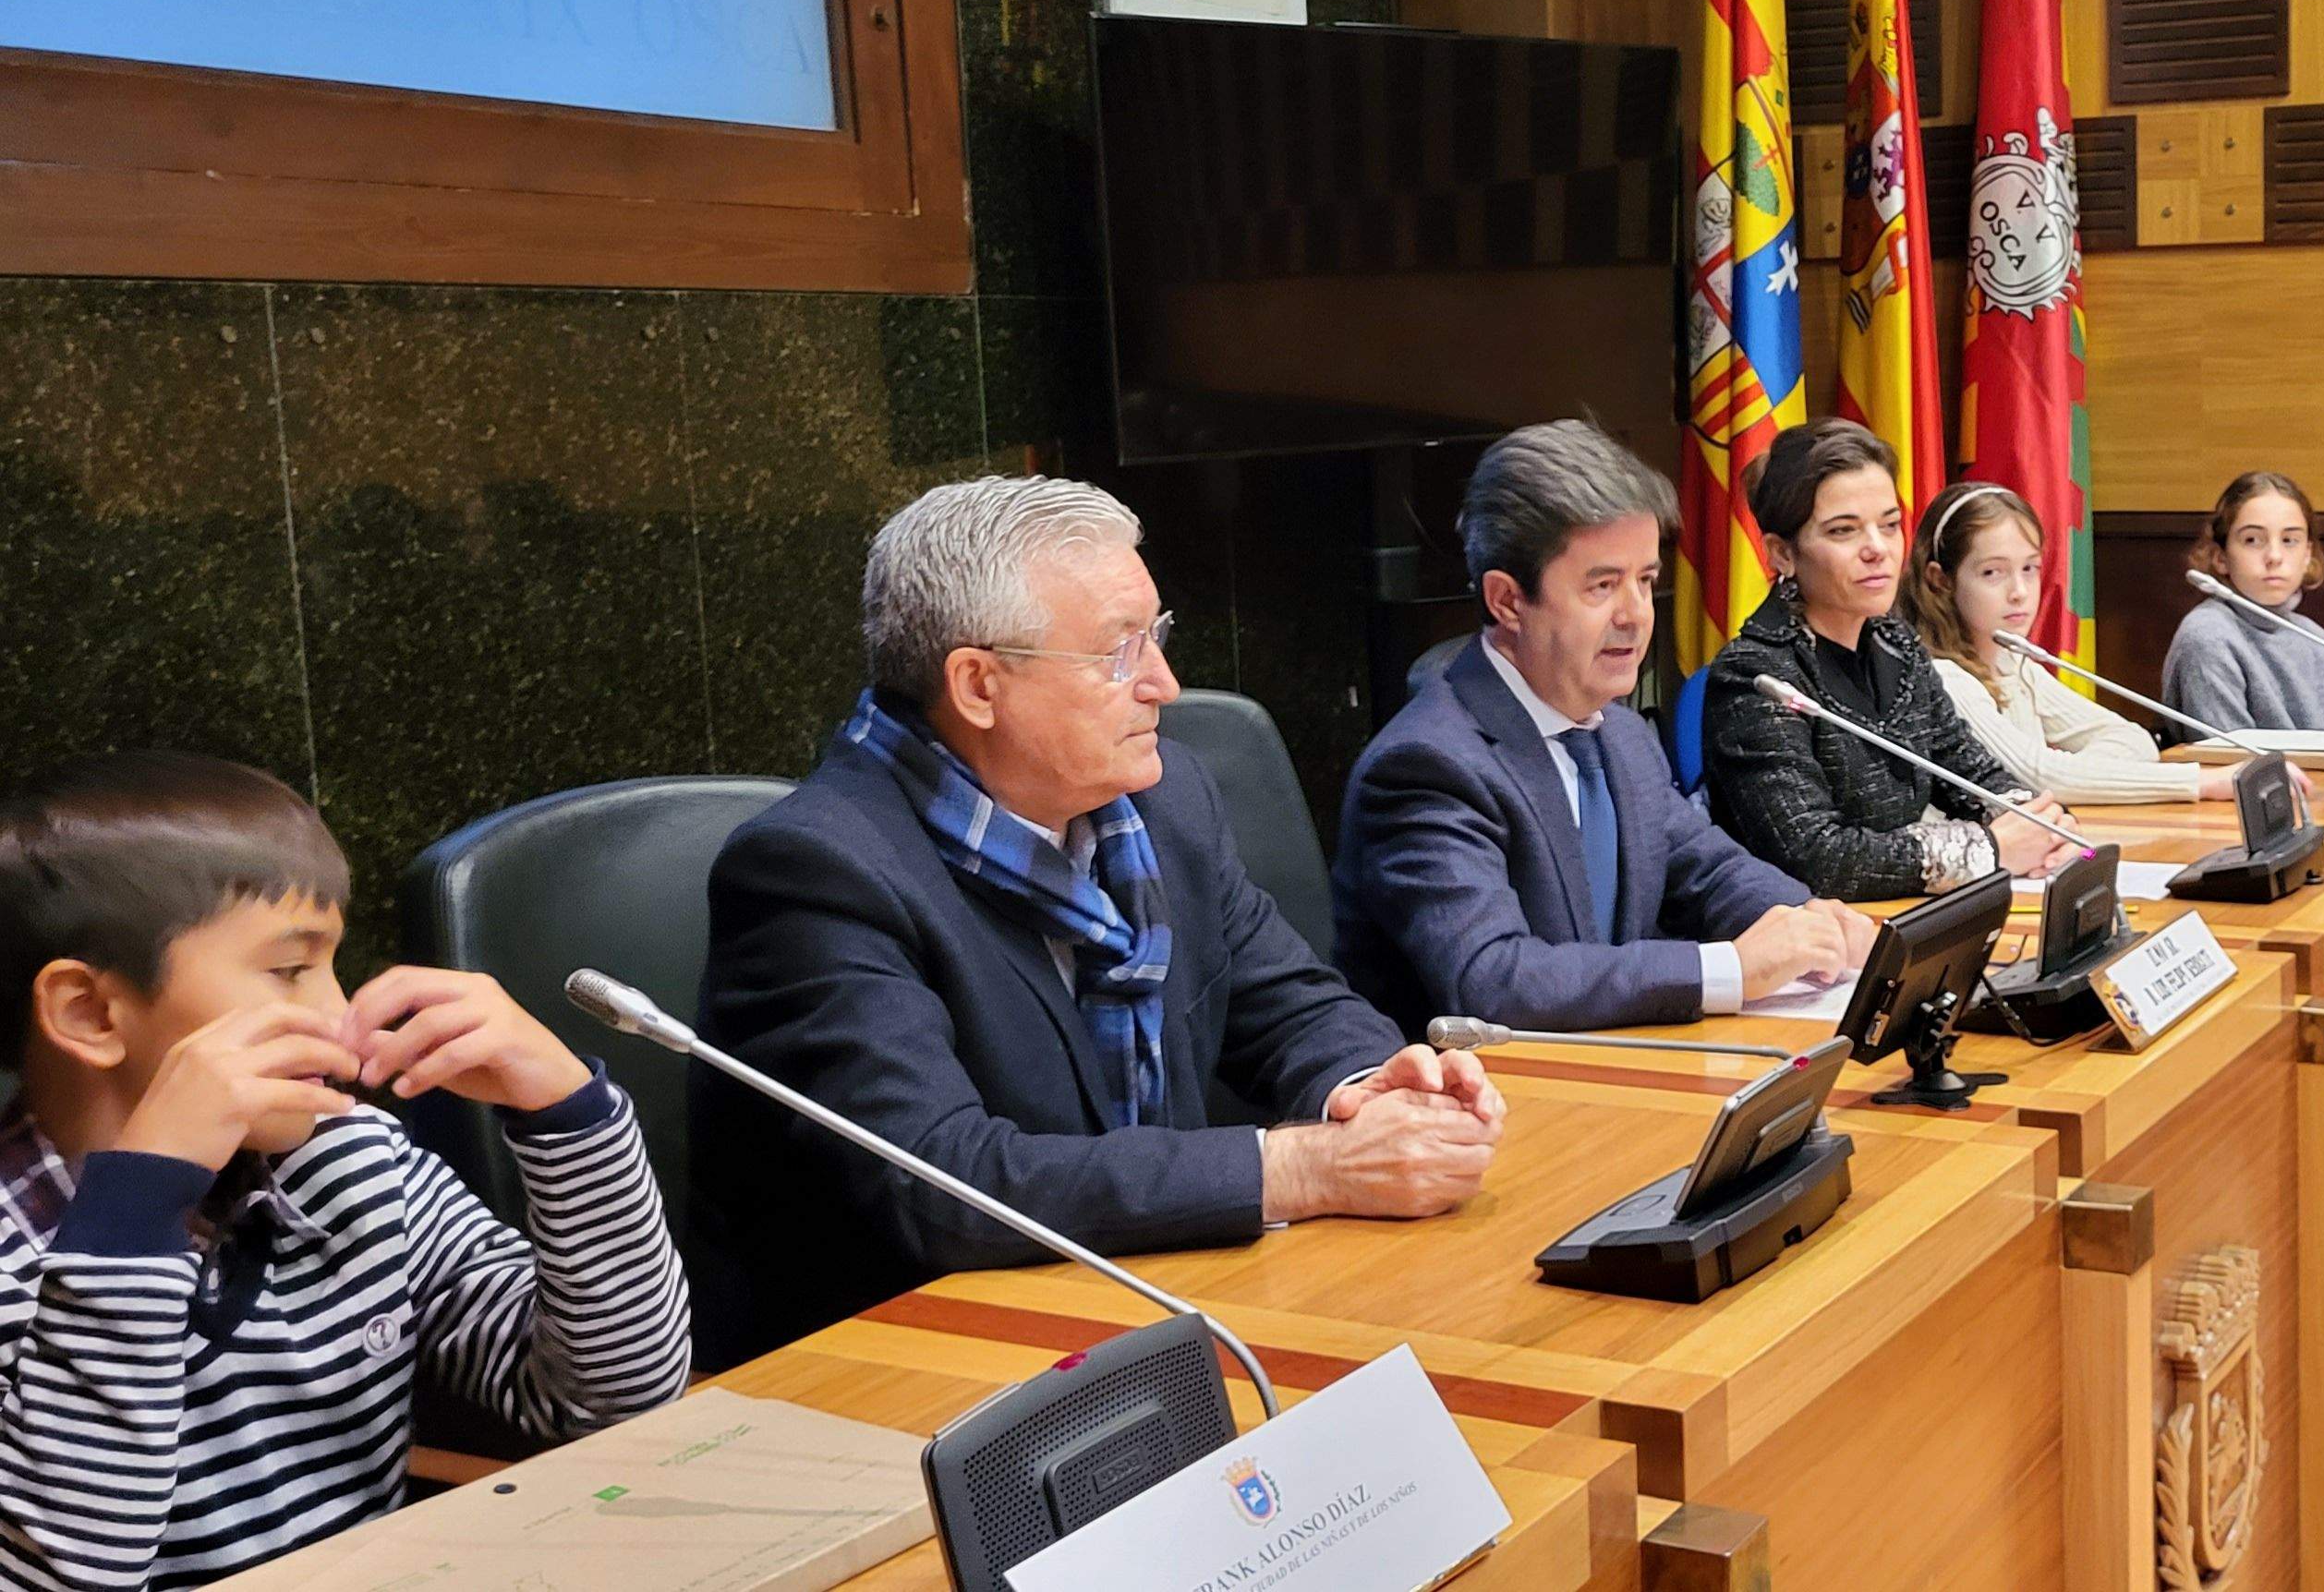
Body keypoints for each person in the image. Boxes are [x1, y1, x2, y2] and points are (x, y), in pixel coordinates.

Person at [694, 476, 1505, 1367]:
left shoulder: (1165, 801)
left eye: (1155, 636)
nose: (1164, 682)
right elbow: (944, 1183)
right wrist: (1305, 1168)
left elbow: (1293, 1003)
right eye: (1119, 652)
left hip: (1151, 1308)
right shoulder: (817, 872)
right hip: (909, 1369)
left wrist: (1365, 1086)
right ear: (977, 684)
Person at [0, 753, 689, 1586]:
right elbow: (64, 1576)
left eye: (332, 964)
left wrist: (565, 1117)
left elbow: (615, 1396)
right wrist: (136, 1208)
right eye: (289, 970)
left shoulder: (347, 1160)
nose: (337, 1014)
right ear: (90, 1012)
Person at [1333, 421, 1880, 1030]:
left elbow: (1711, 873)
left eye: (1645, 580)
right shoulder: (1427, 766)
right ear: (1507, 601)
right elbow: (1493, 979)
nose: (1637, 615)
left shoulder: (1618, 736)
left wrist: (1820, 925)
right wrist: (1727, 969)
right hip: (1478, 1104)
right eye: (1602, 586)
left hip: (1612, 1076)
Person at [1704, 420, 2083, 900]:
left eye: (1889, 525)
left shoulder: (1896, 644)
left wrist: (2039, 822)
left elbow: (1973, 772)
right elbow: (1818, 858)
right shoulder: (1755, 677)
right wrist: (1988, 849)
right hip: (1808, 945)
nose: (1878, 550)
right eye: (1844, 531)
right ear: (1783, 553)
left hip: (1902, 918)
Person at [1905, 481, 2245, 805]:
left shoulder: (2014, 664)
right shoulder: (1942, 677)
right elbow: (2036, 777)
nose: (2020, 592)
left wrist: (2075, 776)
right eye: (1993, 573)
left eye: (2029, 568)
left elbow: (2134, 741)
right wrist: (2198, 783)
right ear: (1941, 580)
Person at [2162, 470, 2324, 736]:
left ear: (2307, 555)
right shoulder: (2208, 636)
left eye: (2290, 540)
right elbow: (2231, 761)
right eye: (2253, 540)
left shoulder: (2315, 638)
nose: (2274, 556)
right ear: (2220, 557)